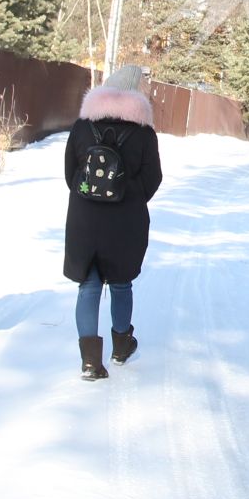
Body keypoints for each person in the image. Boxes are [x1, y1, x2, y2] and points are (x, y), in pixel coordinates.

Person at [63, 65, 162, 380]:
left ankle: (90, 361)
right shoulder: (144, 133)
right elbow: (152, 178)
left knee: (88, 284)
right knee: (121, 283)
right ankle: (121, 346)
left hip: (84, 217)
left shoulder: (82, 126)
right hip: (126, 220)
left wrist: (87, 195)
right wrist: (130, 198)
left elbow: (70, 172)